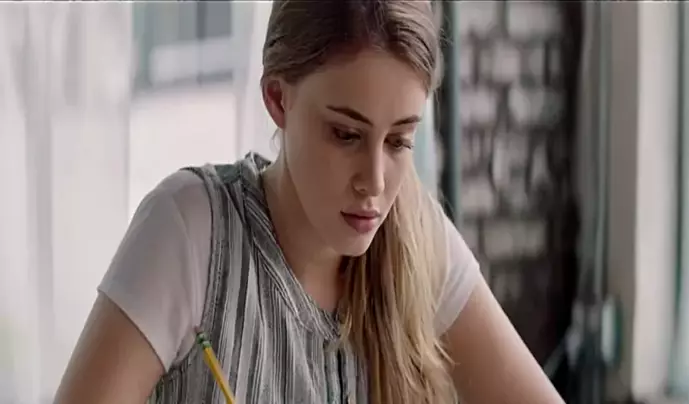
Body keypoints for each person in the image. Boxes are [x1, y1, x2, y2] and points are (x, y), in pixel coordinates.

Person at [54, 1, 564, 403]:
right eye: (345, 134)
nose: (374, 182)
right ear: (278, 98)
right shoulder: (190, 231)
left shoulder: (419, 237)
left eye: (398, 141)